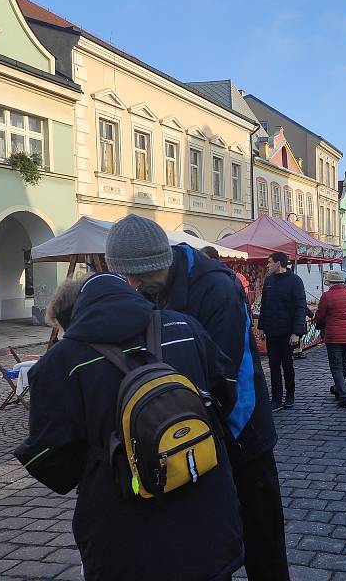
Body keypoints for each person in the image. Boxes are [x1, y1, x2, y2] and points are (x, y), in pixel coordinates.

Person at [15, 273, 243, 581]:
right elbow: (226, 390)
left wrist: (107, 459)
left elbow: (48, 457)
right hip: (205, 508)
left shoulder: (61, 362)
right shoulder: (184, 327)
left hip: (120, 525)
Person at [105, 215, 288, 581]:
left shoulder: (215, 288)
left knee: (262, 540)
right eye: (127, 277)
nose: (132, 285)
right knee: (210, 539)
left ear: (155, 264)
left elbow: (227, 374)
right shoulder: (152, 287)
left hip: (241, 431)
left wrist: (212, 438)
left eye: (136, 276)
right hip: (194, 426)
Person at [258, 251, 308, 411]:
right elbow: (264, 305)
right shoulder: (269, 280)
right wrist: (261, 327)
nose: (267, 265)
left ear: (278, 263)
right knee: (273, 366)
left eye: (269, 262)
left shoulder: (295, 281)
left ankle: (290, 395)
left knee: (287, 365)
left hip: (288, 333)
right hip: (272, 330)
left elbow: (300, 307)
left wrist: (296, 332)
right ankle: (276, 398)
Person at [314, 270, 346, 408]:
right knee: (343, 365)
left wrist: (318, 325)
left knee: (336, 367)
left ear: (330, 283)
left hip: (333, 336)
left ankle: (344, 395)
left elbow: (320, 316)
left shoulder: (327, 296)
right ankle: (339, 389)